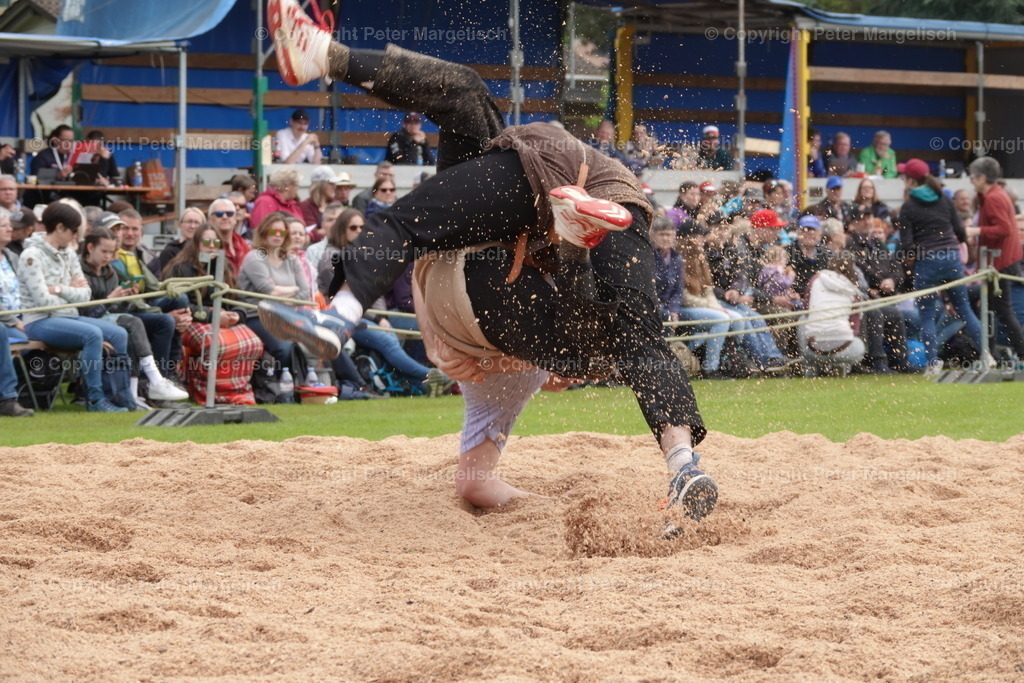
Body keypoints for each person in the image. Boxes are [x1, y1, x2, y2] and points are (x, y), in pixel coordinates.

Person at [260, 0, 717, 520]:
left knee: (459, 103)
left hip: (527, 179)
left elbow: (477, 482)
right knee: (627, 338)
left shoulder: (505, 380)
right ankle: (681, 461)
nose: (559, 384)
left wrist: (551, 505)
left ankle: (325, 56)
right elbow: (477, 480)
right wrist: (551, 505)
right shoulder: (504, 383)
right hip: (570, 197)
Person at [16, 203, 130, 412]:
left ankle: (121, 397)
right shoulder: (31, 256)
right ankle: (95, 400)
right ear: (59, 228)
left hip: (68, 316)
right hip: (39, 321)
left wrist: (58, 289)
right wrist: (70, 290)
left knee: (119, 333)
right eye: (73, 232)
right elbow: (42, 302)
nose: (75, 237)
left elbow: (85, 295)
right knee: (93, 334)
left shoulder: (68, 253)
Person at [78, 227, 189, 407]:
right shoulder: (79, 272)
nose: (108, 257)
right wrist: (111, 299)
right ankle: (148, 385)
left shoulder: (110, 272)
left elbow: (120, 309)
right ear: (90, 248)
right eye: (104, 251)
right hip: (91, 322)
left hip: (113, 318)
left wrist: (128, 296)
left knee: (164, 321)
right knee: (132, 324)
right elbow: (86, 313)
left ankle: (150, 388)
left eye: (111, 252)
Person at [897, 158, 982, 370]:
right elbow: (961, 233)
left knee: (926, 315)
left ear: (910, 181)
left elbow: (907, 245)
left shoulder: (908, 207)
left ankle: (933, 364)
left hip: (927, 262)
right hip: (952, 258)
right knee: (965, 310)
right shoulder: (945, 199)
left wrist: (918, 254)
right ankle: (988, 356)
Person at [165, 225, 264, 404]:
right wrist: (213, 316)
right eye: (206, 241)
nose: (212, 246)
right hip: (194, 320)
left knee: (254, 343)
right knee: (215, 343)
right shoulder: (181, 268)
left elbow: (239, 299)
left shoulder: (224, 267)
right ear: (196, 243)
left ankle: (238, 393)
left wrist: (237, 315)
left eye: (216, 242)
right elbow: (181, 304)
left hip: (224, 319)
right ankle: (209, 394)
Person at [238, 212, 312, 376]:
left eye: (282, 232)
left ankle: (350, 385)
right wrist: (293, 289)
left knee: (324, 339)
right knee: (283, 347)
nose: (278, 235)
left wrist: (283, 295)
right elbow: (269, 291)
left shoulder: (291, 259)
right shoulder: (255, 257)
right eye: (273, 231)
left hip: (287, 313)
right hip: (256, 315)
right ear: (264, 232)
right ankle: (280, 387)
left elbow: (306, 292)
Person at [967, 156, 1024, 361]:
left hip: (1000, 263)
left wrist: (975, 230)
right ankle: (990, 355)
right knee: (991, 309)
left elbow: (1004, 229)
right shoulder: (995, 194)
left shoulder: (994, 198)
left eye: (973, 176)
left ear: (982, 178)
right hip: (1000, 260)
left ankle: (1015, 353)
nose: (971, 180)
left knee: (1002, 311)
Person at [801, 251, 867, 374]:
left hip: (813, 348)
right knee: (859, 345)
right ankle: (842, 365)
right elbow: (855, 328)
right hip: (843, 349)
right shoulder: (853, 292)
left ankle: (810, 366)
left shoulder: (816, 279)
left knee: (803, 319)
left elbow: (806, 308)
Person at [153, 207, 205, 277]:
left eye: (197, 222)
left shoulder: (207, 249)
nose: (192, 226)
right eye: (189, 222)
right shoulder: (170, 251)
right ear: (180, 225)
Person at [208, 197, 252, 272]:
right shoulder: (206, 244)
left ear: (235, 219)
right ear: (210, 219)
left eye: (229, 214)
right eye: (219, 214)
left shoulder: (242, 244)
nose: (225, 217)